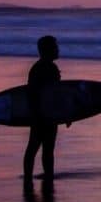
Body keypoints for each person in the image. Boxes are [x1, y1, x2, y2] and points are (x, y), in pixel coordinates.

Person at [23, 35, 67, 182]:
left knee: (37, 148)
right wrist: (65, 115)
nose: (58, 49)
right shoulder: (48, 69)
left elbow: (34, 93)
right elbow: (55, 95)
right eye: (55, 47)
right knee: (43, 149)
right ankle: (45, 178)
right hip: (45, 116)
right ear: (48, 50)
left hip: (41, 115)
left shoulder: (38, 68)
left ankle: (31, 179)